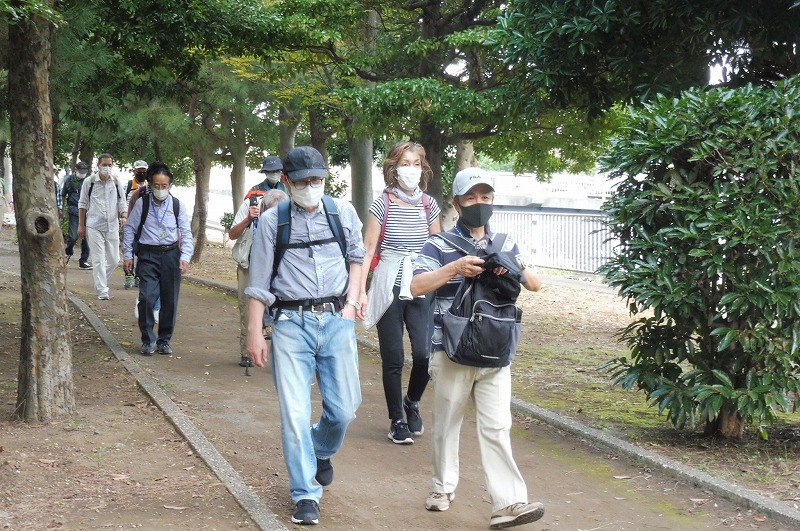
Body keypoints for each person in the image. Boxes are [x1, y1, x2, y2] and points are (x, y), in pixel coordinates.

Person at [410, 167, 545, 529]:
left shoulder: (505, 242)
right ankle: (442, 488)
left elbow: (535, 284)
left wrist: (511, 266)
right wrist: (454, 268)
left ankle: (509, 502)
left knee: (498, 427)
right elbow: (417, 286)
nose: (479, 203)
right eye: (470, 197)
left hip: (496, 349)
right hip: (451, 348)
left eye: (485, 197)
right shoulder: (438, 245)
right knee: (446, 425)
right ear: (456, 204)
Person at [245, 146, 365, 526]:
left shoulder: (342, 212)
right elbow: (258, 283)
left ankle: (320, 448)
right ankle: (305, 495)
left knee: (344, 409)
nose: (311, 186)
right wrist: (255, 332)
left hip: (337, 321)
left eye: (317, 179)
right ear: (287, 181)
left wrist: (352, 303)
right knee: (294, 415)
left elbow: (357, 258)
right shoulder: (272, 221)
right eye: (303, 181)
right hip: (290, 326)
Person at [359, 141, 441, 445]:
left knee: (424, 354)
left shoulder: (428, 204)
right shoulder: (382, 204)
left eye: (416, 164)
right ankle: (396, 420)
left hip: (420, 283)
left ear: (423, 168)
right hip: (388, 283)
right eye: (405, 163)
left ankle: (412, 401)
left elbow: (438, 248)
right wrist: (359, 291)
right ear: (394, 169)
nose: (411, 169)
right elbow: (368, 250)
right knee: (393, 357)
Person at [122, 162, 194, 356]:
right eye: (156, 186)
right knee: (146, 297)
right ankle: (148, 340)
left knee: (170, 300)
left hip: (171, 255)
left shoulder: (177, 205)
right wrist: (128, 255)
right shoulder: (142, 203)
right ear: (151, 185)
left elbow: (186, 232)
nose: (160, 189)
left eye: (164, 186)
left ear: (170, 186)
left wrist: (185, 256)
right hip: (148, 255)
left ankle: (164, 340)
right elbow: (130, 229)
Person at [229, 186, 288, 368]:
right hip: (248, 266)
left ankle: (282, 356)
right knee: (247, 309)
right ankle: (246, 352)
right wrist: (248, 219)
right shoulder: (250, 205)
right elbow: (232, 234)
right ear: (264, 207)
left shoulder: (289, 210)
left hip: (278, 268)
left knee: (284, 312)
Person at [78, 153, 127, 300]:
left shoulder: (116, 182)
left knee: (114, 260)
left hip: (112, 226)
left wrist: (124, 216)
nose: (107, 167)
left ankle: (100, 281)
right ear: (98, 165)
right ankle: (102, 290)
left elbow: (122, 202)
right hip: (94, 225)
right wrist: (81, 225)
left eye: (109, 165)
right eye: (104, 165)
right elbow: (82, 204)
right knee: (98, 259)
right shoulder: (90, 182)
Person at [124, 160, 149, 289]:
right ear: (134, 171)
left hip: (144, 225)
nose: (142, 173)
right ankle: (129, 274)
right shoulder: (128, 186)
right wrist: (123, 217)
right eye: (139, 171)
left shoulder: (149, 187)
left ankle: (139, 275)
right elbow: (122, 202)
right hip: (130, 222)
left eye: (144, 171)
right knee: (129, 248)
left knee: (141, 250)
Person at [62, 161, 91, 268]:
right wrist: (61, 208)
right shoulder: (69, 180)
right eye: (81, 171)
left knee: (87, 237)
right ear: (75, 169)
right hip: (74, 211)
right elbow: (63, 194)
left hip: (87, 212)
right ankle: (68, 251)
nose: (83, 173)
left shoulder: (88, 180)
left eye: (84, 171)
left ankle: (83, 260)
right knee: (73, 236)